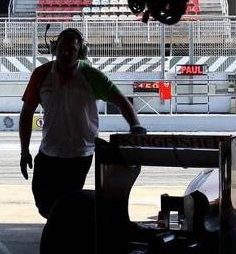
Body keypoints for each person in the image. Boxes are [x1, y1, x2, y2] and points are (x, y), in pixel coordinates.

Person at [19, 28, 145, 219]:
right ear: (55, 48)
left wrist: (136, 126)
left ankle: (62, 241)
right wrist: (24, 151)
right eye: (62, 48)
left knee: (64, 206)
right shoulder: (41, 74)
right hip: (48, 153)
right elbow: (27, 112)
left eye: (72, 49)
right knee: (43, 204)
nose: (66, 53)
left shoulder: (91, 75)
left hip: (79, 156)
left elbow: (120, 100)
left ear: (81, 52)